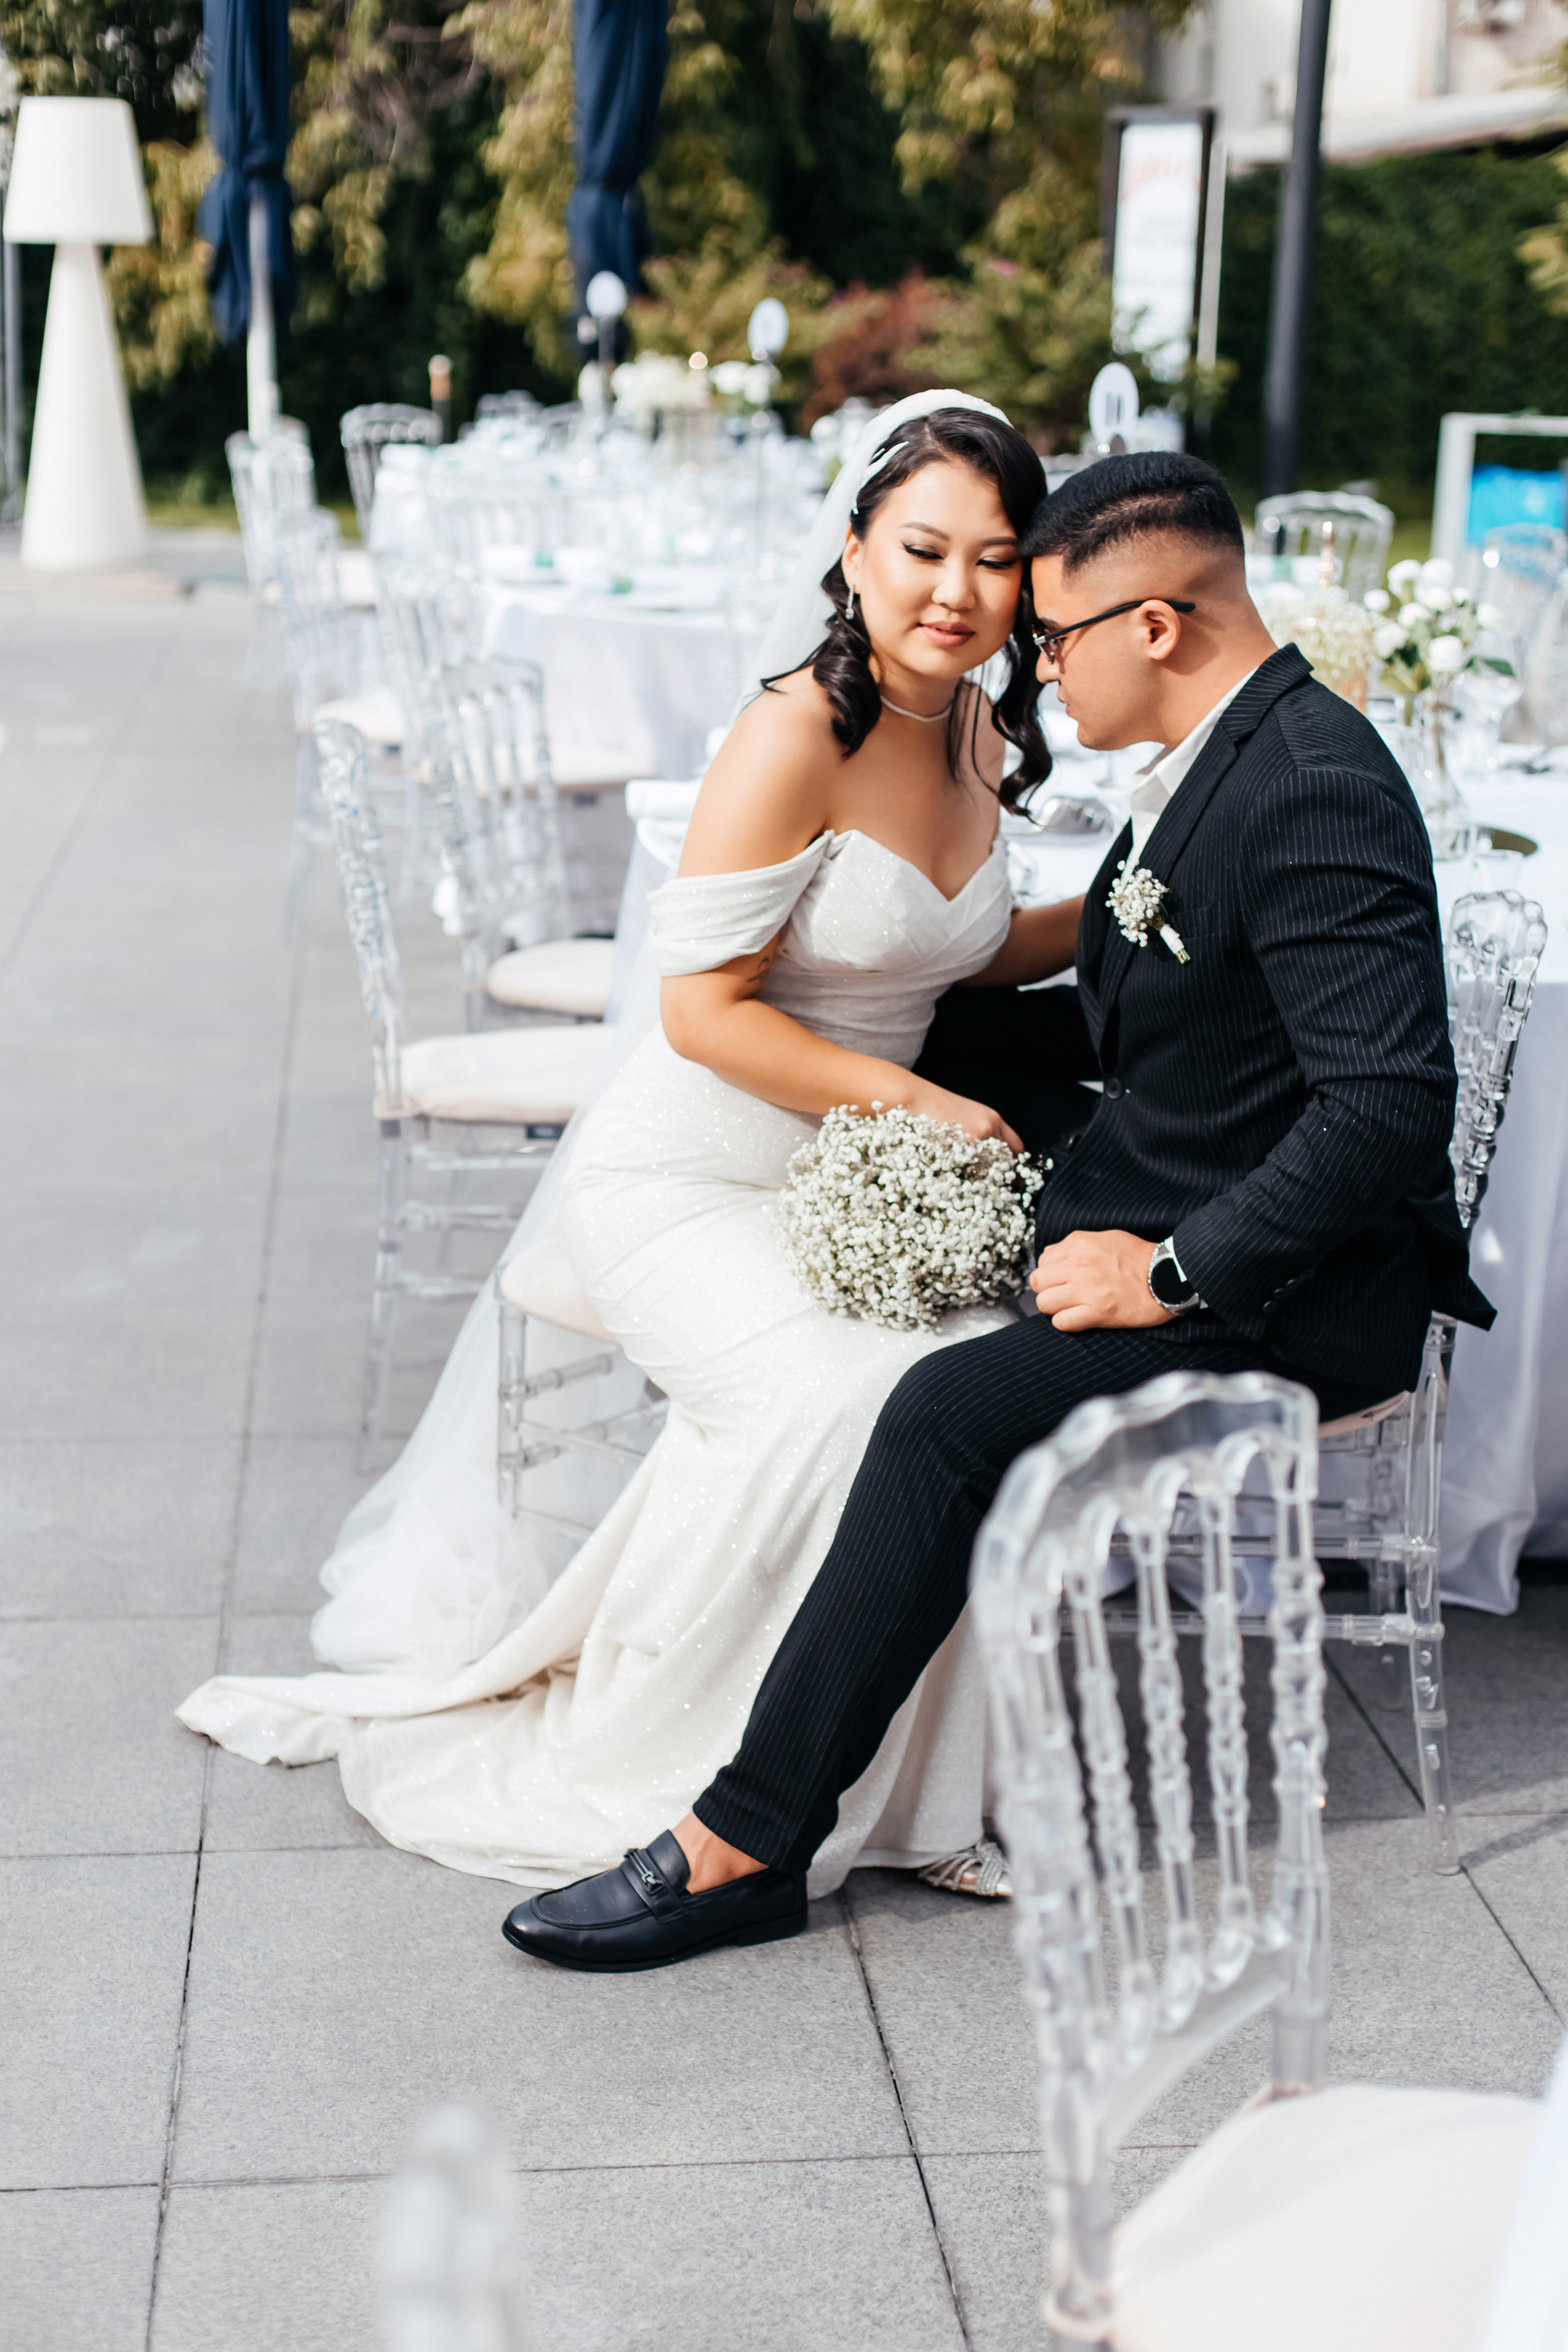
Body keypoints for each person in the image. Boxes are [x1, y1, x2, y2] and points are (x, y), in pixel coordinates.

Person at [501, 448, 1495, 1974]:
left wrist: (1172, 1272)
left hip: (1295, 1282)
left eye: (1052, 636)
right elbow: (1133, 1007)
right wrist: (878, 1048)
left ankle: (745, 1842)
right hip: (1162, 1195)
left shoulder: (1308, 783)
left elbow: (1385, 1108)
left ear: (1153, 627)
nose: (1031, 670)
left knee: (942, 1413)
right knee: (882, 1353)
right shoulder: (1214, 753)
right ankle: (890, 1770)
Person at [177, 393, 1085, 1898]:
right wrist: (921, 1105)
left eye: (996, 562)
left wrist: (1124, 917)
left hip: (845, 1185)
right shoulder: (793, 733)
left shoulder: (978, 729)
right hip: (688, 1177)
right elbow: (702, 1014)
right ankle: (702, 1775)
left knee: (972, 1387)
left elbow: (947, 945)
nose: (957, 592)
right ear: (857, 546)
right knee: (838, 1400)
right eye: (924, 549)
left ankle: (917, 1805)